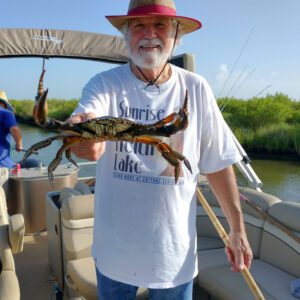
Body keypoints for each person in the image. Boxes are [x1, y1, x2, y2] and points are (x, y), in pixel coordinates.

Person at [69, 0, 253, 299]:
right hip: (114, 251)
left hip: (174, 255)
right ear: (126, 35)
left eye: (160, 26)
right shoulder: (104, 85)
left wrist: (237, 229)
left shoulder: (196, 89)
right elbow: (88, 116)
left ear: (176, 34)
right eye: (139, 26)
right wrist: (84, 137)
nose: (149, 34)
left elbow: (218, 163)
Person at [0, 90, 23, 169]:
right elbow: (15, 129)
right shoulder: (6, 113)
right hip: (2, 165)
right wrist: (19, 145)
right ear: (4, 104)